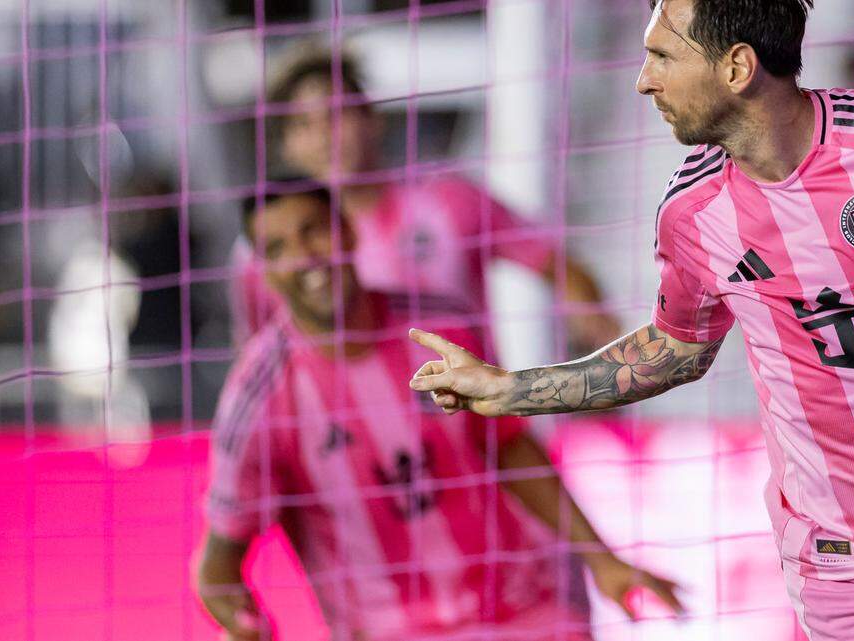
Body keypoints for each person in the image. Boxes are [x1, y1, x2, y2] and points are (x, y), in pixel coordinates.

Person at [406, 1, 854, 640]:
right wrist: (511, 388)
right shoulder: (691, 212)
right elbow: (676, 349)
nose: (644, 82)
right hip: (846, 566)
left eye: (662, 57)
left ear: (737, 67)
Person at [198, 185, 682, 641]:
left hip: (527, 609)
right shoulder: (257, 398)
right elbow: (216, 572)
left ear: (346, 229)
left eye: (313, 230)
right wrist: (245, 624)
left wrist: (601, 559)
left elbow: (510, 447)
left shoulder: (440, 325)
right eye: (278, 248)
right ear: (263, 271)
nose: (305, 256)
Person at [231, 47, 620, 354]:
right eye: (303, 124)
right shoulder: (263, 254)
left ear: (372, 119)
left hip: (470, 420)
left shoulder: (448, 200)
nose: (324, 136)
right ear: (285, 146)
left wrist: (590, 323)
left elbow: (559, 266)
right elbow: (256, 357)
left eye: (337, 114)